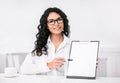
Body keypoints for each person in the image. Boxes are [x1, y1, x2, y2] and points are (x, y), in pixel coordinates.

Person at [20, 7, 71, 76]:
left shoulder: (72, 46)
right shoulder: (39, 45)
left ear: (63, 22)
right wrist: (48, 65)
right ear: (46, 25)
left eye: (59, 20)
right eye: (51, 21)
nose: (56, 24)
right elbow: (24, 69)